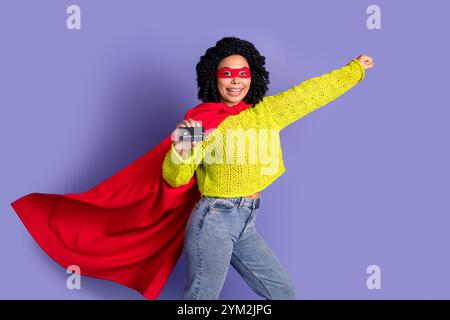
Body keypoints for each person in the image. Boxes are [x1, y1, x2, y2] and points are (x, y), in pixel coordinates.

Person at [161, 36, 374, 300]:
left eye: (242, 73)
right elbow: (175, 178)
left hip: (247, 222)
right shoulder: (200, 121)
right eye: (227, 74)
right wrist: (182, 148)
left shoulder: (266, 112)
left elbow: (310, 94)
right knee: (201, 301)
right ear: (213, 77)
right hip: (214, 220)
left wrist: (353, 70)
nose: (236, 80)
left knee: (282, 292)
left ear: (252, 77)